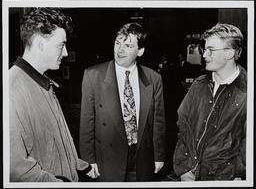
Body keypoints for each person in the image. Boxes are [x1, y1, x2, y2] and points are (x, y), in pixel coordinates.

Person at [9, 8, 91, 182]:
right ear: (40, 43)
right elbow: (17, 172)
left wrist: (81, 166)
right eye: (61, 45)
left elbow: (54, 144)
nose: (66, 53)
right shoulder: (11, 89)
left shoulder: (42, 83)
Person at [80, 23, 166, 182]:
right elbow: (86, 122)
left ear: (140, 51)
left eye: (128, 45)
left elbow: (158, 122)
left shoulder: (154, 78)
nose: (120, 50)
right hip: (108, 156)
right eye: (117, 43)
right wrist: (88, 160)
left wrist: (159, 156)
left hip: (141, 156)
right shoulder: (93, 75)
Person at [173, 23, 246, 181]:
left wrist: (234, 172)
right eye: (204, 49)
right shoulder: (199, 84)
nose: (205, 55)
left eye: (211, 50)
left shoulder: (247, 92)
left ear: (230, 53)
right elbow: (183, 124)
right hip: (189, 174)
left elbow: (249, 145)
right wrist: (183, 167)